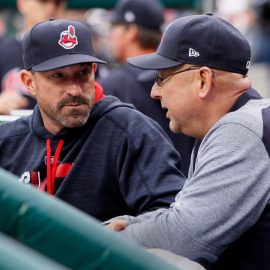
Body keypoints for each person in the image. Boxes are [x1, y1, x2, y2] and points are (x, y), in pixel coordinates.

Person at [107, 14, 270, 269]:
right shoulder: (241, 121)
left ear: (203, 80)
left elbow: (185, 236)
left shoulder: (240, 129)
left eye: (162, 77)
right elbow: (181, 215)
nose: (154, 91)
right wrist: (134, 222)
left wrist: (112, 237)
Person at [0, 18, 186, 222]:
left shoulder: (130, 132)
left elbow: (171, 217)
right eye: (58, 76)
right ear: (29, 82)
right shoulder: (8, 141)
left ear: (94, 72)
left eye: (82, 73)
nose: (75, 89)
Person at [98, 0, 195, 176]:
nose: (111, 35)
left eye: (115, 27)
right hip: (189, 188)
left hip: (139, 196)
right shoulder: (187, 78)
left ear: (131, 32)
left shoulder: (112, 85)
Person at [0, 0, 67, 114]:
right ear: (23, 4)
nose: (51, 7)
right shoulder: (3, 51)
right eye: (43, 2)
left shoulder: (75, 53)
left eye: (57, 3)